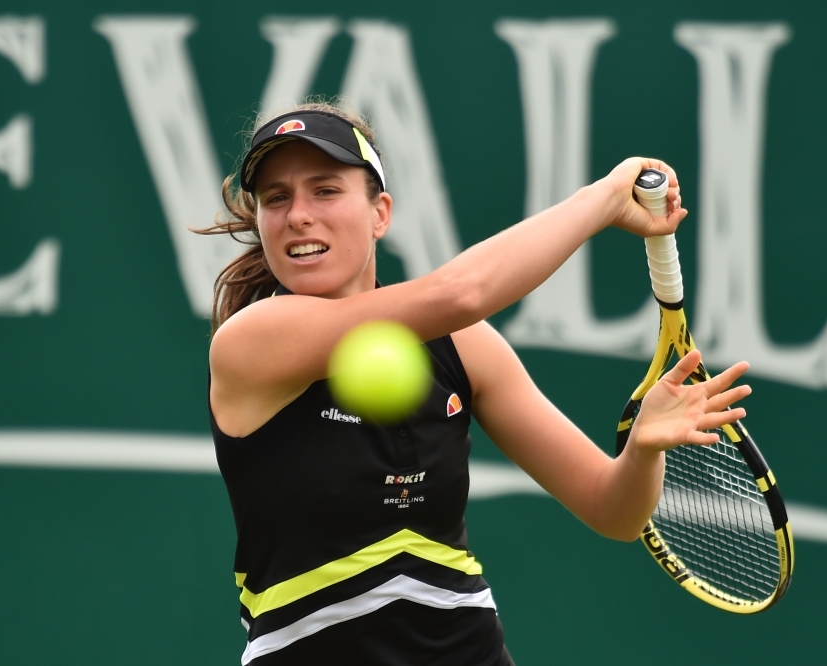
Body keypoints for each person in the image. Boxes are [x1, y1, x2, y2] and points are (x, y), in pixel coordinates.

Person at [201, 102, 750, 665]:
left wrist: (644, 449)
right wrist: (605, 199)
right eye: (276, 198)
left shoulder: (465, 347)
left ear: (379, 213)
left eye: (325, 190)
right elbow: (461, 293)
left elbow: (614, 512)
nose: (297, 215)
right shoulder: (253, 342)